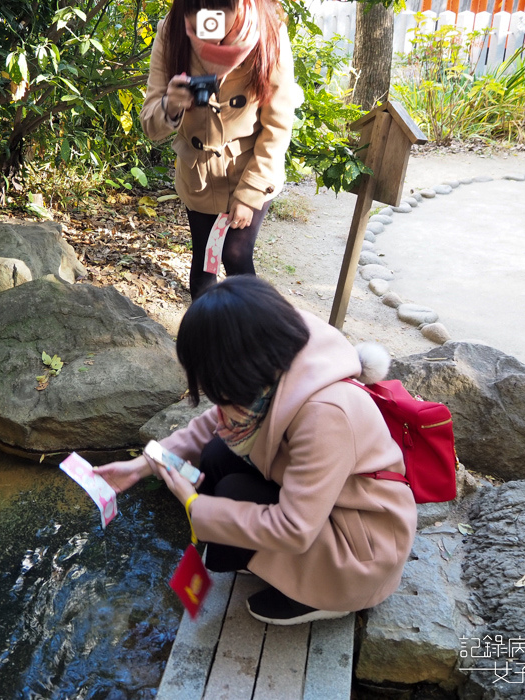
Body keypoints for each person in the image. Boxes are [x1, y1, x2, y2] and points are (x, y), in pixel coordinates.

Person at [95, 277, 417, 625]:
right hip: (328, 507)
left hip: (360, 552)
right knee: (219, 453)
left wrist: (197, 507)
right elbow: (213, 424)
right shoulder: (277, 358)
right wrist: (143, 465)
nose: (212, 394)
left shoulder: (327, 415)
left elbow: (294, 527)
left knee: (234, 494)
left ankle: (325, 595)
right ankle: (269, 561)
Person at [139, 0, 302, 299]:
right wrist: (171, 104)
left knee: (236, 255)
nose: (208, 28)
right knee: (204, 263)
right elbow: (151, 124)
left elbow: (278, 127)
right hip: (198, 175)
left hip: (251, 167)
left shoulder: (269, 31)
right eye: (198, 16)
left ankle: (256, 336)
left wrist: (249, 193)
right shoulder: (172, 31)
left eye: (216, 14)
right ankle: (207, 342)